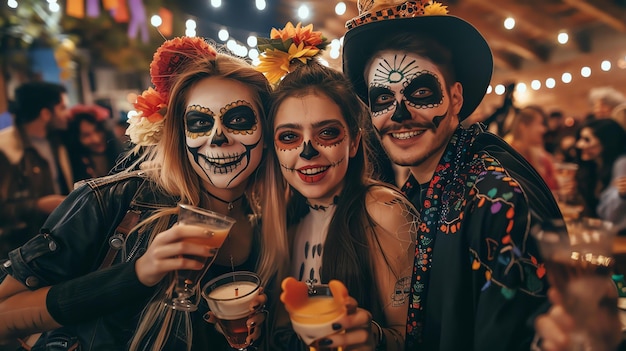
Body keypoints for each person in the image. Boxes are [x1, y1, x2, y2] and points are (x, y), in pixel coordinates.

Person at [0, 37, 270, 351]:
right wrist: (137, 273)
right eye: (199, 122)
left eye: (238, 120)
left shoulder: (273, 220)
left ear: (266, 130)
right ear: (179, 133)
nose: (217, 138)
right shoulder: (110, 201)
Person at [342, 0, 563, 350]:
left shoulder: (496, 197)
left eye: (421, 93)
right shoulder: (425, 182)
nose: (399, 114)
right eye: (383, 98)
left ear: (456, 98)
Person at [255, 22, 417, 350]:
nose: (307, 151)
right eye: (289, 137)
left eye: (327, 132)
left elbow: (413, 337)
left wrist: (373, 338)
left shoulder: (383, 212)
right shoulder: (280, 217)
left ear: (354, 142)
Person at [0, 81, 72, 258]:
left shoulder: (60, 141)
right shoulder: (6, 149)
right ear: (46, 113)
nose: (68, 114)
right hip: (23, 252)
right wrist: (38, 205)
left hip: (60, 244)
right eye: (62, 108)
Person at [559, 119, 626, 231]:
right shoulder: (594, 167)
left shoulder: (622, 163)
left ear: (607, 141)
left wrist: (622, 195)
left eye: (587, 140)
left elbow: (610, 215)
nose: (579, 144)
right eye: (580, 139)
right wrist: (575, 195)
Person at [66, 104, 125, 181]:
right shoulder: (73, 164)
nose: (96, 139)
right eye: (86, 135)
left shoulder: (122, 156)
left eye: (98, 131)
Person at [507, 106, 558, 191]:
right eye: (539, 124)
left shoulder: (532, 152)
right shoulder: (510, 154)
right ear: (523, 126)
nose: (544, 129)